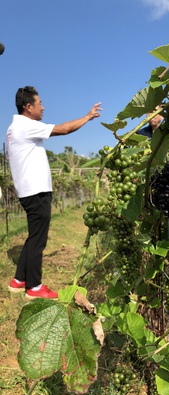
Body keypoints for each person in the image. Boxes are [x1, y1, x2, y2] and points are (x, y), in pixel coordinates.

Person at [7, 86, 102, 300]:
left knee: (34, 237)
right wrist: (87, 117)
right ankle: (34, 287)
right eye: (39, 103)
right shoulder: (26, 126)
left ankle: (18, 280)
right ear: (28, 107)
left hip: (28, 190)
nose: (43, 107)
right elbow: (65, 129)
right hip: (36, 191)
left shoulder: (14, 127)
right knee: (38, 240)